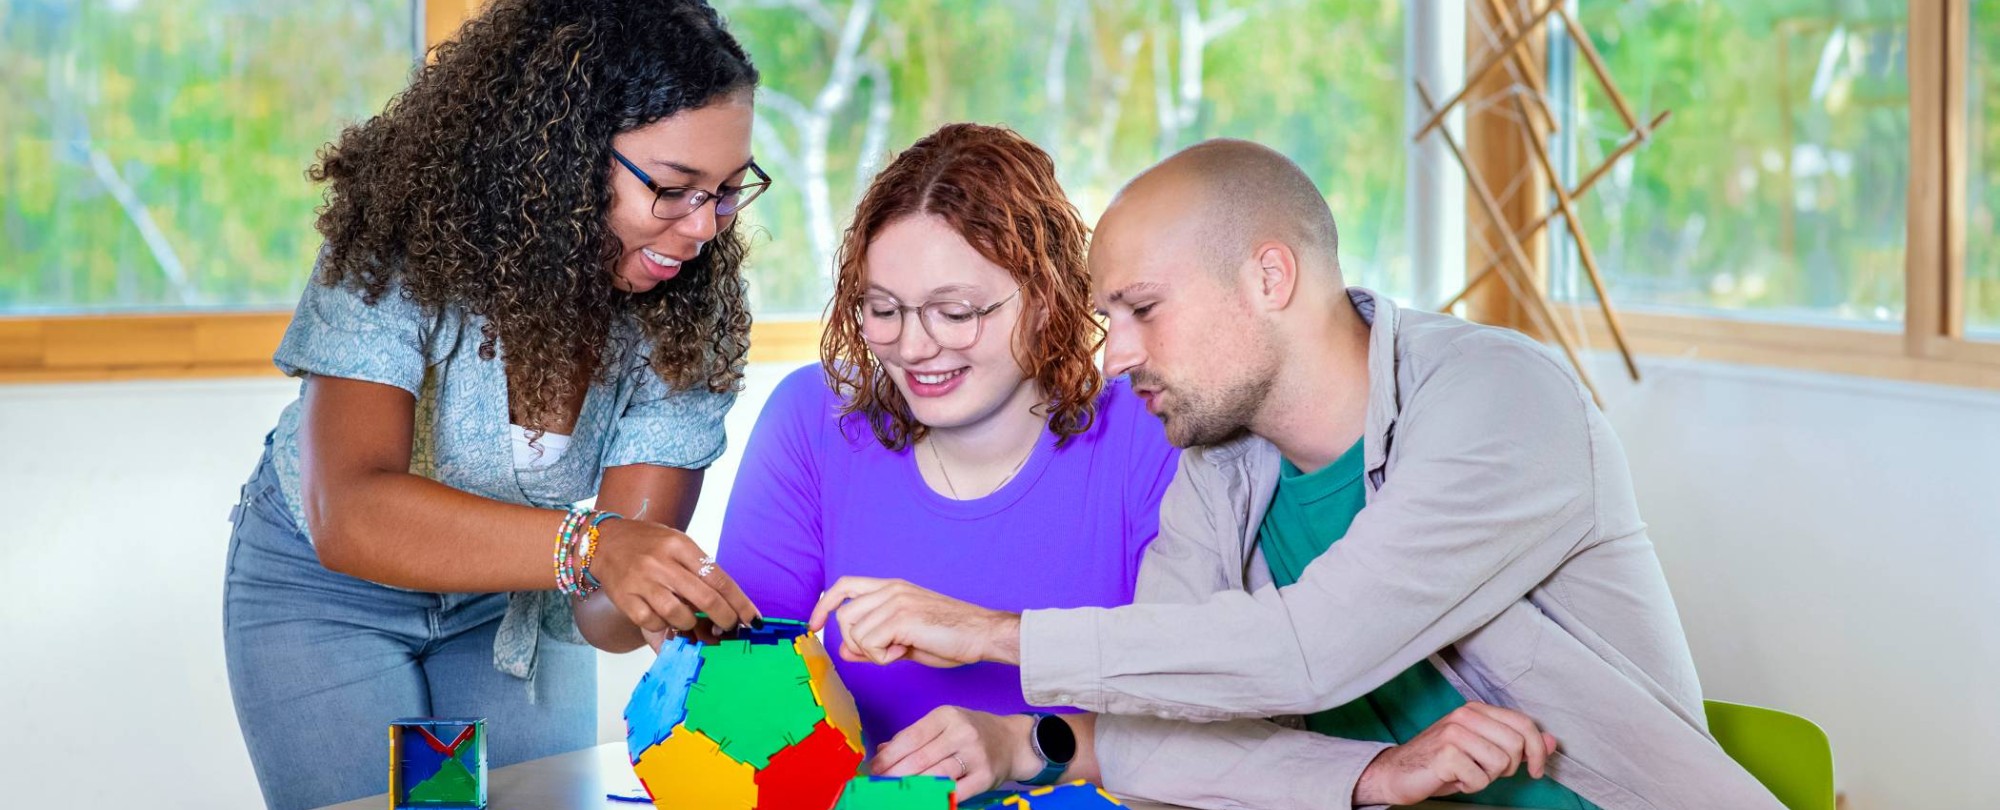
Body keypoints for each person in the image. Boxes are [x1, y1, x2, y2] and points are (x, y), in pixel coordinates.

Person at [809, 140, 1785, 809]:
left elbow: (1314, 647)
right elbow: (1146, 744)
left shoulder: (1500, 397)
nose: (1116, 354)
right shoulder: (1216, 467)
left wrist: (985, 633)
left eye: (1142, 308)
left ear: (1267, 279)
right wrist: (1369, 776)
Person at [221, 2, 768, 807]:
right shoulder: (398, 250)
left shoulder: (689, 321)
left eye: (725, 192)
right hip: (324, 595)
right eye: (676, 189)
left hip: (513, 611)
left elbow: (599, 616)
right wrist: (596, 546)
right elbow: (351, 510)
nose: (702, 230)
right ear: (564, 157)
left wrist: (661, 595)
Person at [713, 123, 1177, 801]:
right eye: (883, 310)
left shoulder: (1148, 434)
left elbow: (1223, 718)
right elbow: (738, 697)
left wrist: (1022, 745)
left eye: (955, 312)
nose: (914, 346)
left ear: (1046, 299)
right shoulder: (812, 420)